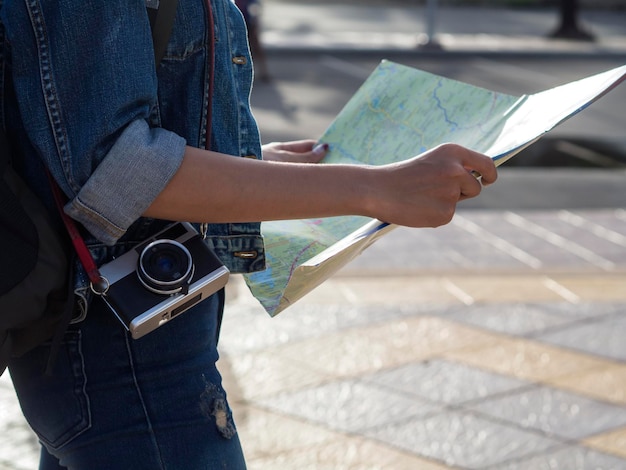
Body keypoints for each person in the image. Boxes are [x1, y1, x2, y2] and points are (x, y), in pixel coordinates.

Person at [0, 0, 497, 468]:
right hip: (120, 349)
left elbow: (90, 129)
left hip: (136, 331)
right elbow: (118, 168)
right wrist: (377, 187)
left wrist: (244, 157)